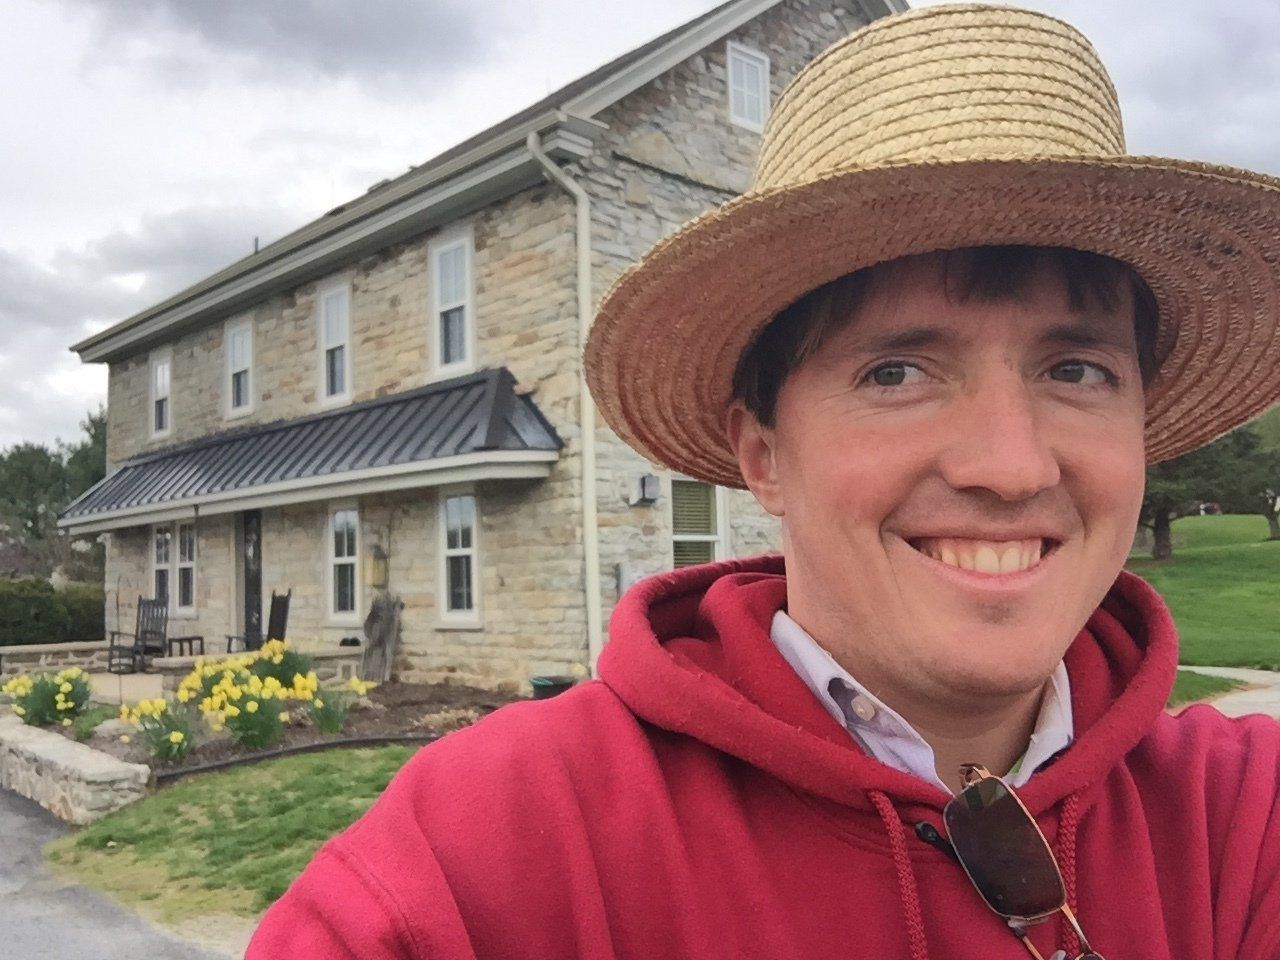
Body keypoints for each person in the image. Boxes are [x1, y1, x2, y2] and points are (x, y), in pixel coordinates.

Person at [248, 5, 1280, 958]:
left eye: (1075, 369)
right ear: (762, 457)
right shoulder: (495, 848)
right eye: (895, 372)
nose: (1009, 466)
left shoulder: (1236, 820)